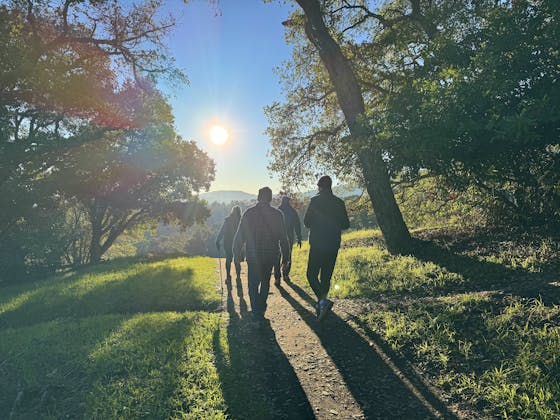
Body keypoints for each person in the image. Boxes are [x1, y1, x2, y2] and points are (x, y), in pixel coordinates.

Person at [234, 187, 290, 324]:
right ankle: (260, 307)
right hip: (270, 255)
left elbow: (239, 236)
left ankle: (256, 312)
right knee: (265, 282)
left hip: (253, 256)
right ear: (270, 198)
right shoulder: (277, 215)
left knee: (253, 284)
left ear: (258, 197)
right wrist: (286, 257)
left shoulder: (249, 213)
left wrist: (237, 253)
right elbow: (284, 237)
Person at [304, 175, 350, 321]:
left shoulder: (315, 201)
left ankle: (322, 302)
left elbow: (306, 222)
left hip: (317, 244)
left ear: (319, 186)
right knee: (326, 276)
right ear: (330, 186)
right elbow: (345, 224)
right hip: (333, 244)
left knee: (311, 274)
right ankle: (322, 303)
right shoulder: (339, 202)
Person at [274, 196, 302, 286]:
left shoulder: (277, 211)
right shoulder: (292, 212)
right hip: (289, 236)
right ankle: (285, 274)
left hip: (277, 237)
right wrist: (299, 237)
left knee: (277, 257)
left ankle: (277, 277)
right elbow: (297, 225)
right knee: (288, 255)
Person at [216, 206, 242, 281]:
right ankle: (238, 276)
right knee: (237, 259)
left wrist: (218, 240)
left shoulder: (228, 220)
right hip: (238, 243)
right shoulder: (241, 220)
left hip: (228, 242)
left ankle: (228, 276)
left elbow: (222, 231)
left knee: (228, 259)